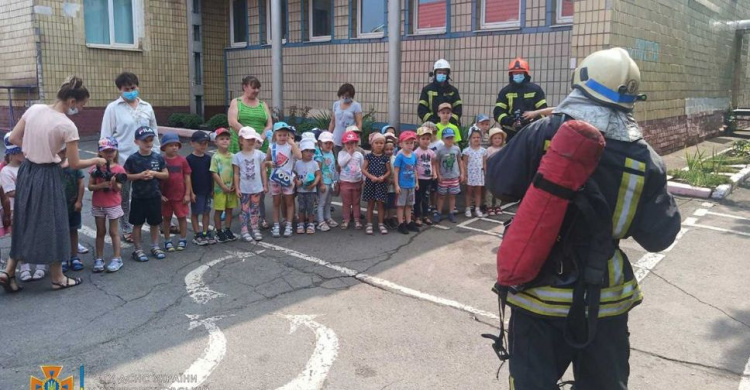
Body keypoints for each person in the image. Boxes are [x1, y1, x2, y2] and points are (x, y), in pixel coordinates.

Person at [486, 47, 681, 389]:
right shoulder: (645, 157)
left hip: (537, 295)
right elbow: (660, 236)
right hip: (605, 303)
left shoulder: (545, 132)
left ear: (582, 82)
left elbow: (500, 182)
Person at [0, 76, 107, 293]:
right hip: (48, 174)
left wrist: (33, 147)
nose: (82, 109)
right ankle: (58, 277)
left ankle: (9, 271)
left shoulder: (35, 109)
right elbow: (75, 163)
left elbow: (13, 139)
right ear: (71, 101)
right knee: (55, 224)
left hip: (27, 170)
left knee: (25, 220)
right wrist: (96, 160)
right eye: (82, 104)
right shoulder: (67, 125)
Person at [101, 72, 159, 245]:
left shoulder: (147, 106)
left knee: (149, 193)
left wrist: (156, 154)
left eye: (133, 88)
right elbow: (106, 135)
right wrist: (108, 161)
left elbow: (154, 131)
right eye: (127, 89)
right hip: (123, 160)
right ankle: (126, 228)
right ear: (120, 90)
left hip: (147, 158)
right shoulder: (113, 108)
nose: (131, 91)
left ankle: (156, 223)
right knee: (124, 196)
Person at [227, 76, 274, 228]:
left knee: (258, 178)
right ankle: (231, 208)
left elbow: (269, 124)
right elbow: (233, 121)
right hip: (241, 144)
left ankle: (259, 214)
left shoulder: (262, 104)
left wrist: (260, 137)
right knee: (238, 175)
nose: (256, 90)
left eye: (258, 88)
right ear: (244, 87)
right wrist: (248, 136)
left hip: (260, 144)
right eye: (253, 87)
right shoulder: (236, 102)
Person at [0, 135, 45, 282]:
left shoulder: (29, 166)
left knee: (38, 236)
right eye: (20, 152)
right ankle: (25, 267)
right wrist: (31, 190)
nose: (25, 154)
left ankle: (40, 265)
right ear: (12, 154)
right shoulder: (6, 171)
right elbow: (10, 192)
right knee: (20, 239)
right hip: (17, 211)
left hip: (34, 207)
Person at [124, 126, 169, 262]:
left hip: (154, 196)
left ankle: (155, 246)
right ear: (136, 142)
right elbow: (125, 176)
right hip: (138, 197)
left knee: (154, 223)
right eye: (145, 141)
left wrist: (154, 174)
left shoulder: (157, 157)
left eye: (150, 140)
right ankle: (138, 249)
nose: (148, 143)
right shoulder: (132, 159)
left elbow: (166, 174)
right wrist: (139, 176)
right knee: (137, 224)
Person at [88, 137, 126, 273]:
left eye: (112, 151)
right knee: (100, 231)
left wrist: (113, 182)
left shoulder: (119, 169)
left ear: (116, 152)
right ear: (100, 153)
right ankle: (99, 258)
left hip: (113, 204)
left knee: (114, 231)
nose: (109, 154)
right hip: (98, 204)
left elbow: (118, 189)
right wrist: (102, 184)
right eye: (106, 151)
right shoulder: (95, 168)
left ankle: (117, 258)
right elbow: (90, 186)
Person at [493, 57, 548, 142]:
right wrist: (511, 121)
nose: (517, 75)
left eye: (520, 73)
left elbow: (543, 111)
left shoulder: (535, 90)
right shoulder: (505, 91)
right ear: (511, 74)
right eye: (515, 73)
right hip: (510, 133)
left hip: (531, 132)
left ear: (525, 73)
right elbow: (498, 113)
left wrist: (531, 120)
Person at [267, 122, 301, 238]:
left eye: (285, 135)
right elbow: (266, 161)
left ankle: (289, 225)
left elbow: (299, 156)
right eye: (280, 135)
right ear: (275, 135)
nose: (283, 137)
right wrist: (269, 163)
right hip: (275, 178)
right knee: (276, 202)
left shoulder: (290, 146)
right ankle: (276, 225)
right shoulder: (272, 146)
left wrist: (292, 143)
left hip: (287, 179)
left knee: (290, 202)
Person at [233, 127, 267, 242]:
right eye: (248, 139)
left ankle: (254, 228)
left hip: (257, 188)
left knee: (255, 210)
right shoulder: (237, 156)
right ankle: (244, 230)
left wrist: (265, 185)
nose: (251, 142)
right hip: (244, 189)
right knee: (244, 210)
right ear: (241, 140)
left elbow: (263, 170)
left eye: (253, 139)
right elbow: (236, 174)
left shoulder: (259, 154)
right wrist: (237, 188)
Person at [159, 133, 192, 252]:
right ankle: (167, 240)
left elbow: (187, 177)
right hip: (166, 197)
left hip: (180, 196)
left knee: (182, 217)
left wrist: (188, 193)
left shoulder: (182, 160)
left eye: (176, 145)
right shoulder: (160, 160)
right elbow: (157, 180)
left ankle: (183, 239)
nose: (174, 147)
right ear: (164, 147)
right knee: (166, 218)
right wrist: (160, 195)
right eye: (170, 145)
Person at [187, 131, 216, 245]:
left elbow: (211, 175)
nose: (203, 146)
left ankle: (205, 232)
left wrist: (212, 189)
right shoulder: (189, 159)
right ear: (192, 143)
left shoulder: (208, 158)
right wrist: (190, 192)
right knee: (195, 212)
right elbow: (187, 177)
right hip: (196, 191)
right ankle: (197, 233)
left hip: (207, 190)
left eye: (205, 143)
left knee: (206, 212)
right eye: (200, 143)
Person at [210, 128, 238, 243]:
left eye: (227, 139)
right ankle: (219, 230)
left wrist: (235, 185)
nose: (225, 141)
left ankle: (227, 229)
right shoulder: (216, 157)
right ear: (215, 141)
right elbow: (214, 173)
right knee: (219, 210)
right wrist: (222, 186)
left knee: (229, 209)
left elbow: (236, 172)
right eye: (221, 139)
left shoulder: (233, 156)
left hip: (231, 188)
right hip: (220, 189)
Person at [59, 148, 85, 273]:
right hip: (58, 207)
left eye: (64, 150)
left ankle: (74, 256)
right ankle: (63, 257)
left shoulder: (74, 165)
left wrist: (79, 201)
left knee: (73, 230)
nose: (62, 153)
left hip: (73, 205)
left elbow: (81, 184)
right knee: (60, 233)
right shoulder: (52, 167)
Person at [362, 133, 391, 235]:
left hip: (381, 184)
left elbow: (388, 171)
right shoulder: (368, 156)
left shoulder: (385, 157)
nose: (379, 145)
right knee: (370, 204)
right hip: (371, 183)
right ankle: (369, 224)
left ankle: (381, 224)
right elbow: (363, 169)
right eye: (377, 143)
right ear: (372, 144)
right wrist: (371, 177)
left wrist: (383, 177)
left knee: (380, 204)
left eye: (381, 143)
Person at [418, 59, 463, 126]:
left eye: (444, 73)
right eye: (439, 72)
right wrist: (432, 121)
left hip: (450, 126)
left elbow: (458, 110)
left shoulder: (453, 91)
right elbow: (421, 110)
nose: (442, 75)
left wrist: (450, 121)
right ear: (434, 73)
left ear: (448, 74)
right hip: (431, 126)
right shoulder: (427, 90)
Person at [434, 128, 465, 223]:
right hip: (443, 177)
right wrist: (438, 174)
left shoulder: (456, 149)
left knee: (452, 195)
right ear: (443, 139)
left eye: (451, 138)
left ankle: (451, 213)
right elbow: (437, 163)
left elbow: (460, 161)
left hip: (454, 176)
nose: (449, 140)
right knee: (441, 196)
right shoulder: (440, 150)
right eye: (447, 138)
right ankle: (439, 212)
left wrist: (462, 173)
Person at [393, 131, 420, 235]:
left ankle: (409, 222)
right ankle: (401, 223)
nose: (410, 145)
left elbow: (415, 169)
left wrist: (416, 182)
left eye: (412, 143)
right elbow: (396, 171)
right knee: (400, 205)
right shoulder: (400, 157)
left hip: (411, 185)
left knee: (409, 205)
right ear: (401, 144)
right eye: (407, 143)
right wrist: (396, 185)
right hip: (402, 185)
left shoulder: (413, 156)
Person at [337, 131, 364, 230]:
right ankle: (346, 219)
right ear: (344, 144)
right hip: (345, 182)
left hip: (356, 182)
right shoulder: (341, 153)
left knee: (356, 202)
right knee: (346, 203)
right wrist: (349, 154)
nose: (350, 145)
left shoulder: (359, 155)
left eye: (352, 143)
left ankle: (357, 219)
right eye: (347, 143)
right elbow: (341, 164)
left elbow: (362, 168)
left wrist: (363, 179)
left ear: (356, 144)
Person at [294, 139, 321, 235]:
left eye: (312, 151)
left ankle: (310, 223)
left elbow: (318, 174)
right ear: (301, 151)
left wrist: (314, 184)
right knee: (301, 207)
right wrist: (297, 181)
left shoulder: (314, 163)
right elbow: (295, 174)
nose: (310, 153)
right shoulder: (297, 163)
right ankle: (301, 223)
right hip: (301, 190)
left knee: (310, 208)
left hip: (311, 190)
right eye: (307, 150)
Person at [329, 83, 363, 155]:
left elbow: (359, 123)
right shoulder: (336, 104)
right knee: (337, 159)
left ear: (351, 95)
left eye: (347, 96)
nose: (345, 97)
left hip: (350, 139)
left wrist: (356, 138)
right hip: (337, 137)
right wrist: (329, 135)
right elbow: (332, 122)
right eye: (343, 95)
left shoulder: (356, 106)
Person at [315, 131, 338, 232]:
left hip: (331, 181)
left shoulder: (331, 152)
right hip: (324, 182)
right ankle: (320, 221)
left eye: (330, 143)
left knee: (328, 202)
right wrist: (322, 183)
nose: (328, 145)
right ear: (320, 143)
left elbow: (333, 168)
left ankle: (328, 218)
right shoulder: (319, 154)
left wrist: (335, 180)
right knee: (321, 202)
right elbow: (318, 170)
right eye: (326, 143)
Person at [414, 126, 437, 226]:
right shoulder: (416, 153)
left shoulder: (431, 152)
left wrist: (434, 173)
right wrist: (415, 180)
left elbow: (433, 164)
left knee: (426, 198)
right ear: (418, 139)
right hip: (419, 179)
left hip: (428, 178)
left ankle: (425, 216)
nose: (426, 141)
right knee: (417, 198)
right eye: (423, 138)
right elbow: (414, 166)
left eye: (428, 139)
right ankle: (417, 216)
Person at [462, 128, 487, 218]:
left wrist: (485, 174)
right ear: (470, 139)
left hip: (479, 174)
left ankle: (477, 208)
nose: (476, 139)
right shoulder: (466, 151)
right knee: (468, 191)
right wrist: (464, 174)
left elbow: (484, 163)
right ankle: (468, 208)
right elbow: (464, 163)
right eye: (474, 137)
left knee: (478, 192)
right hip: (470, 173)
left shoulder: (483, 151)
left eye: (478, 137)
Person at [484, 127, 506, 216]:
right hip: (491, 173)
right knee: (489, 191)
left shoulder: (504, 149)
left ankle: (497, 205)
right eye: (495, 138)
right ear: (491, 139)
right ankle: (489, 206)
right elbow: (485, 161)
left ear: (502, 140)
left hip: (500, 173)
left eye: (499, 138)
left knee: (499, 190)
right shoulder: (489, 150)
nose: (497, 140)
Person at [383, 140, 398, 229]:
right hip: (384, 184)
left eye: (391, 149)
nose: (389, 151)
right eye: (387, 149)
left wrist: (394, 181)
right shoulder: (382, 159)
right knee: (384, 203)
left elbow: (397, 171)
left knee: (392, 203)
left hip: (393, 184)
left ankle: (390, 217)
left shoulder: (395, 159)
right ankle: (384, 218)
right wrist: (386, 179)